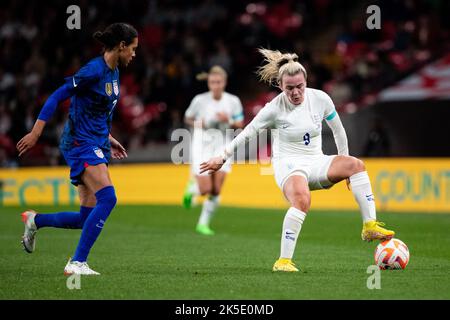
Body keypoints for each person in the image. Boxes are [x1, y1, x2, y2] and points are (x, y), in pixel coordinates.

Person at [200, 49, 395, 271]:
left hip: (316, 161)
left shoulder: (320, 99)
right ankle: (283, 261)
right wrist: (222, 157)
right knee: (302, 200)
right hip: (289, 166)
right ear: (281, 87)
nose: (295, 92)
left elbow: (339, 131)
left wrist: (345, 161)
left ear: (306, 81)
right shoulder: (273, 109)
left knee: (356, 165)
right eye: (289, 88)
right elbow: (247, 133)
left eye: (299, 86)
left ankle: (369, 225)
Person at [16, 23, 138, 275]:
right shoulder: (92, 71)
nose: (134, 54)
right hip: (80, 143)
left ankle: (35, 220)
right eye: (133, 49)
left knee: (86, 217)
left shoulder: (114, 72)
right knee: (109, 198)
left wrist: (109, 137)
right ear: (122, 46)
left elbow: (97, 110)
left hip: (97, 140)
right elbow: (56, 96)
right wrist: (36, 132)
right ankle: (77, 262)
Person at [182, 66, 244, 235]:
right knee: (205, 189)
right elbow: (187, 117)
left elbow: (240, 123)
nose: (215, 85)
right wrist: (197, 123)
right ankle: (192, 189)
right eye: (212, 82)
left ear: (224, 82)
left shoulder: (233, 101)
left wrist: (228, 120)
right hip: (202, 146)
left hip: (223, 146)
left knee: (216, 189)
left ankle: (203, 224)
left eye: (218, 82)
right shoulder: (199, 100)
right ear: (208, 83)